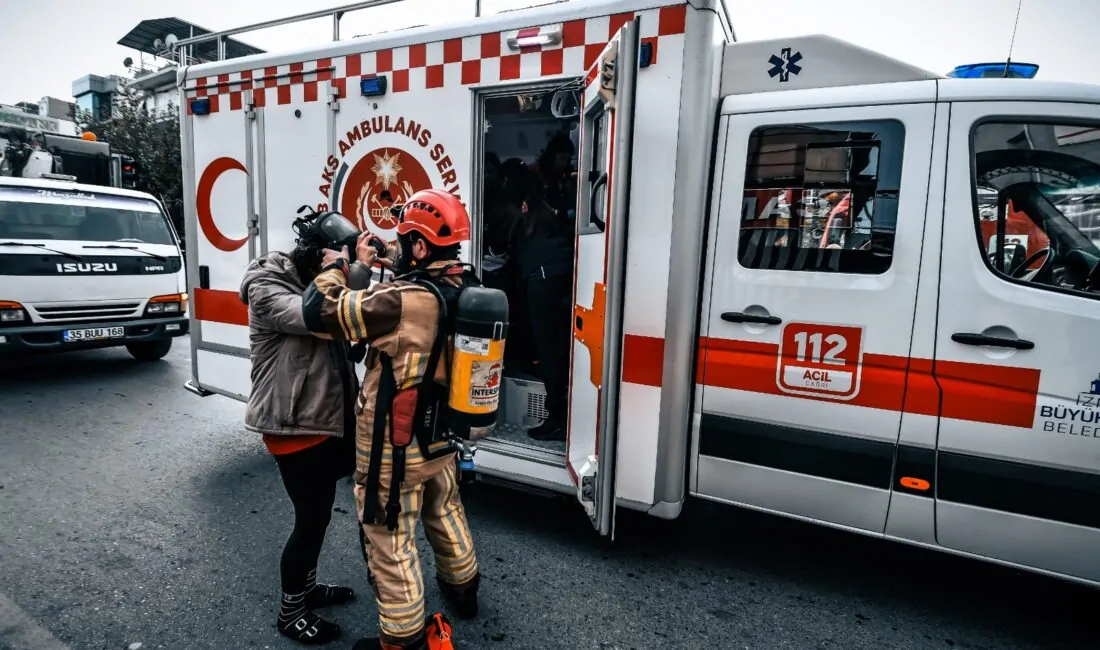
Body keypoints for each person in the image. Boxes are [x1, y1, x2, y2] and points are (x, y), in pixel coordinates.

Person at [302, 189, 481, 650]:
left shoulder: (402, 301)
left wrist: (335, 269)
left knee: (389, 538)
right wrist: (384, 261)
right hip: (440, 436)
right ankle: (464, 588)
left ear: (421, 248)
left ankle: (401, 638)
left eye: (403, 242)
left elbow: (322, 312)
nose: (396, 249)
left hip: (394, 449)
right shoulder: (463, 286)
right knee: (444, 509)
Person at [239, 236, 366, 645]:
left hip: (321, 420)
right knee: (309, 522)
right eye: (330, 264)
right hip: (292, 424)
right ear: (315, 260)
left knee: (320, 516)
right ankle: (290, 613)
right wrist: (342, 271)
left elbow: (347, 320)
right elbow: (317, 316)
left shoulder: (312, 280)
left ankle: (306, 591)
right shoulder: (266, 287)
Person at [505, 165, 574, 442]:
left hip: (541, 281)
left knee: (547, 351)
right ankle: (563, 414)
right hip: (561, 277)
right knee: (558, 350)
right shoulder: (547, 210)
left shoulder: (517, 212)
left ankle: (555, 419)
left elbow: (500, 247)